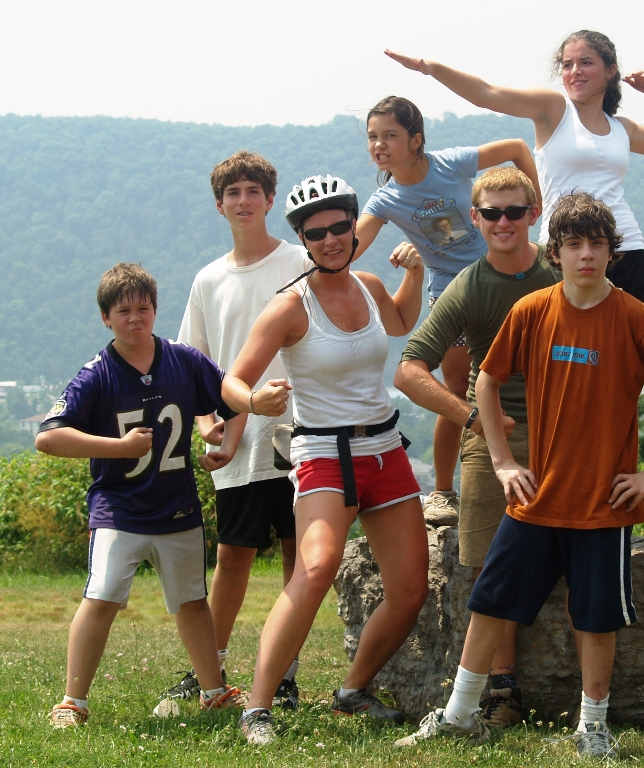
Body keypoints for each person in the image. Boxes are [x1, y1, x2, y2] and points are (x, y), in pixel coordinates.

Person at [395, 193, 644, 759]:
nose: (585, 255)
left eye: (597, 244)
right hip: (534, 497)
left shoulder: (635, 318)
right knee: (490, 602)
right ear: (556, 251)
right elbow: (486, 384)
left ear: (611, 253)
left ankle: (593, 725)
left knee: (595, 616)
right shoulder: (533, 310)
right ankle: (459, 713)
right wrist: (504, 461)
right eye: (573, 245)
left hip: (602, 504)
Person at [221, 174, 430, 746]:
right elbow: (233, 381)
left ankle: (352, 691)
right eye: (319, 233)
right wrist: (255, 400)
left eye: (342, 227)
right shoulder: (290, 305)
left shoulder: (366, 283)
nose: (333, 239)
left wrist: (413, 273)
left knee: (411, 589)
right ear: (304, 240)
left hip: (384, 448)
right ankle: (258, 708)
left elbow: (400, 323)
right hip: (324, 452)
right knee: (315, 569)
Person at [37, 263, 246, 728]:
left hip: (178, 508)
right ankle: (72, 702)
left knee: (193, 602)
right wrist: (119, 448)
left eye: (144, 308)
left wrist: (250, 404)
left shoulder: (182, 359)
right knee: (103, 597)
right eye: (124, 310)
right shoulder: (97, 374)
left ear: (155, 309)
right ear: (106, 318)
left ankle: (214, 692)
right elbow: (48, 438)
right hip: (119, 509)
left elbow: (225, 390)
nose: (136, 318)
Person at [394, 167, 558, 728]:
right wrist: (472, 418)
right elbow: (409, 370)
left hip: (566, 437)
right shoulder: (470, 285)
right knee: (491, 568)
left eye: (515, 211)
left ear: (533, 214)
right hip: (492, 445)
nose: (504, 222)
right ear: (476, 218)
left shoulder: (562, 272)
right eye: (492, 213)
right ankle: (502, 689)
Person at [385, 29, 644, 306]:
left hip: (625, 247)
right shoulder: (554, 109)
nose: (575, 71)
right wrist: (430, 67)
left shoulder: (621, 128)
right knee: (564, 349)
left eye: (586, 62)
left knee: (627, 351)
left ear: (610, 70)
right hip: (564, 247)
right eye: (567, 65)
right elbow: (488, 94)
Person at [163, 151, 307, 709]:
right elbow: (193, 366)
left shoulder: (300, 260)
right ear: (219, 204)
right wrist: (207, 427)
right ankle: (210, 673)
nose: (243, 201)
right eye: (233, 193)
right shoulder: (209, 279)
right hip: (237, 446)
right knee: (232, 558)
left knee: (300, 558)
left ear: (270, 200)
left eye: (253, 191)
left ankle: (287, 677)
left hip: (302, 435)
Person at [358, 95, 541, 523]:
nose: (379, 145)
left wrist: (539, 211)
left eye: (390, 135)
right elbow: (348, 248)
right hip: (452, 291)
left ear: (416, 139)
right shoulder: (385, 201)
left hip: (500, 276)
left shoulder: (450, 164)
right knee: (455, 390)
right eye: (372, 137)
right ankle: (442, 492)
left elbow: (516, 147)